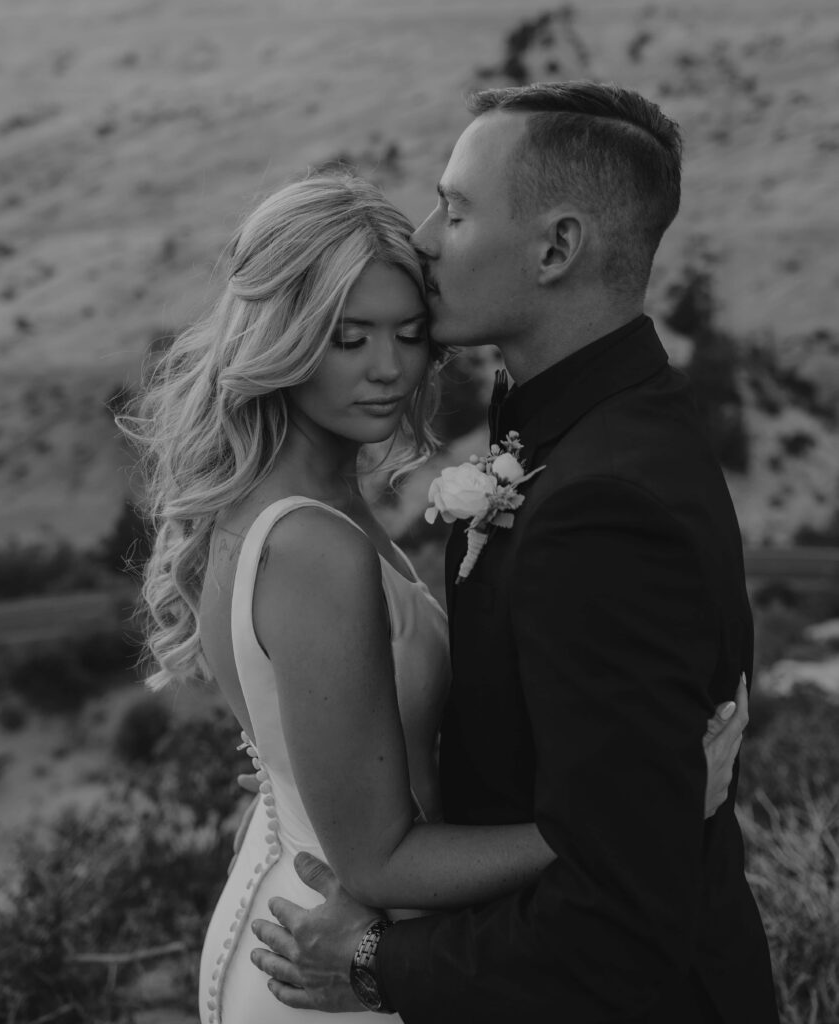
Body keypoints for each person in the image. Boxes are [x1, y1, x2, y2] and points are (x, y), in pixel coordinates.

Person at [124, 170, 744, 1024]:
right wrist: (647, 814)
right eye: (348, 338)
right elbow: (379, 862)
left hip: (306, 910)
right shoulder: (310, 545)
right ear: (281, 335)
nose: (387, 368)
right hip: (336, 959)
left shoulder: (284, 505)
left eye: (409, 333)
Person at [249, 84, 779, 1022]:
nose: (422, 238)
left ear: (556, 248)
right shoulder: (583, 428)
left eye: (454, 211)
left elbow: (619, 919)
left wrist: (374, 961)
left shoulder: (603, 507)